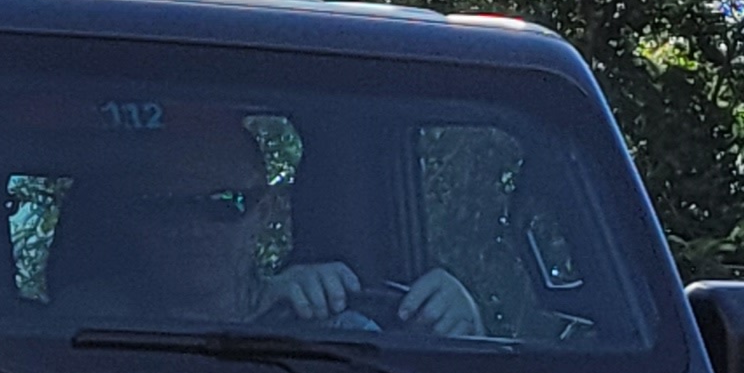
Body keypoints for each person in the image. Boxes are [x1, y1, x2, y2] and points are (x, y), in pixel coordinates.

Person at [47, 115, 483, 337]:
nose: (195, 228)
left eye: (223, 205)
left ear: (265, 211)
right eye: (167, 208)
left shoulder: (332, 327)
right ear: (131, 217)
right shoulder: (85, 332)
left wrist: (462, 329)